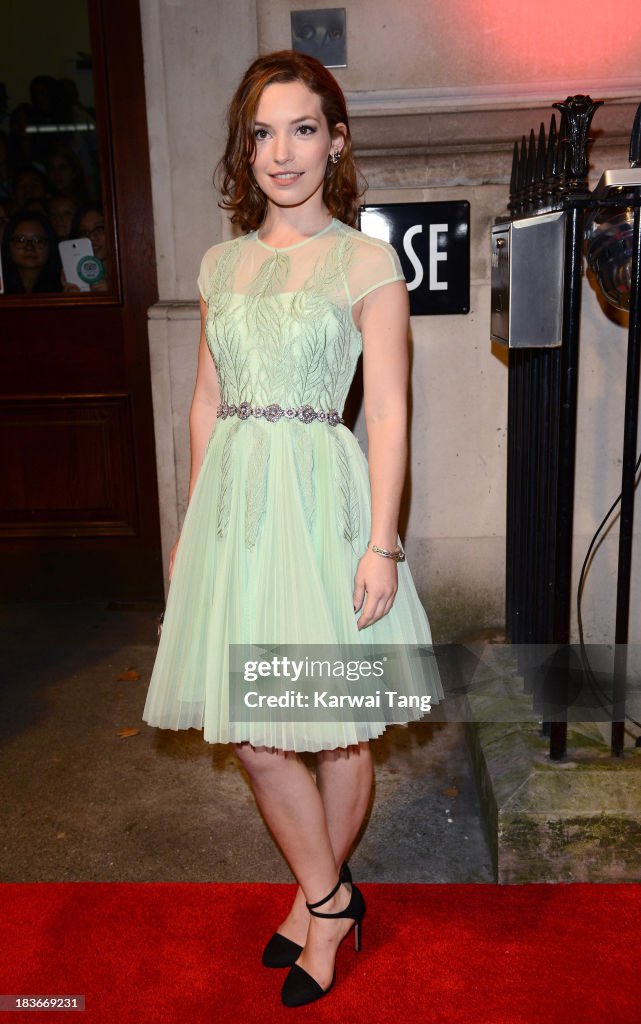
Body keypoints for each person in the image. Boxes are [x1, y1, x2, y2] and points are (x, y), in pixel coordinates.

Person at [143, 50, 441, 1008]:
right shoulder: (219, 263)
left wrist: (382, 540)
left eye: (302, 128)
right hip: (237, 511)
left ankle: (315, 906)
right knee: (259, 735)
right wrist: (191, 521)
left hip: (323, 505)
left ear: (336, 139)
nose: (282, 152)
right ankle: (331, 896)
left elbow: (389, 411)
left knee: (338, 732)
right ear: (245, 147)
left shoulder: (365, 260)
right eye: (263, 132)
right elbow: (202, 402)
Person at [1, 211, 62, 294]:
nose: (29, 247)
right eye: (21, 240)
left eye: (38, 240)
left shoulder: (63, 285)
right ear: (8, 245)